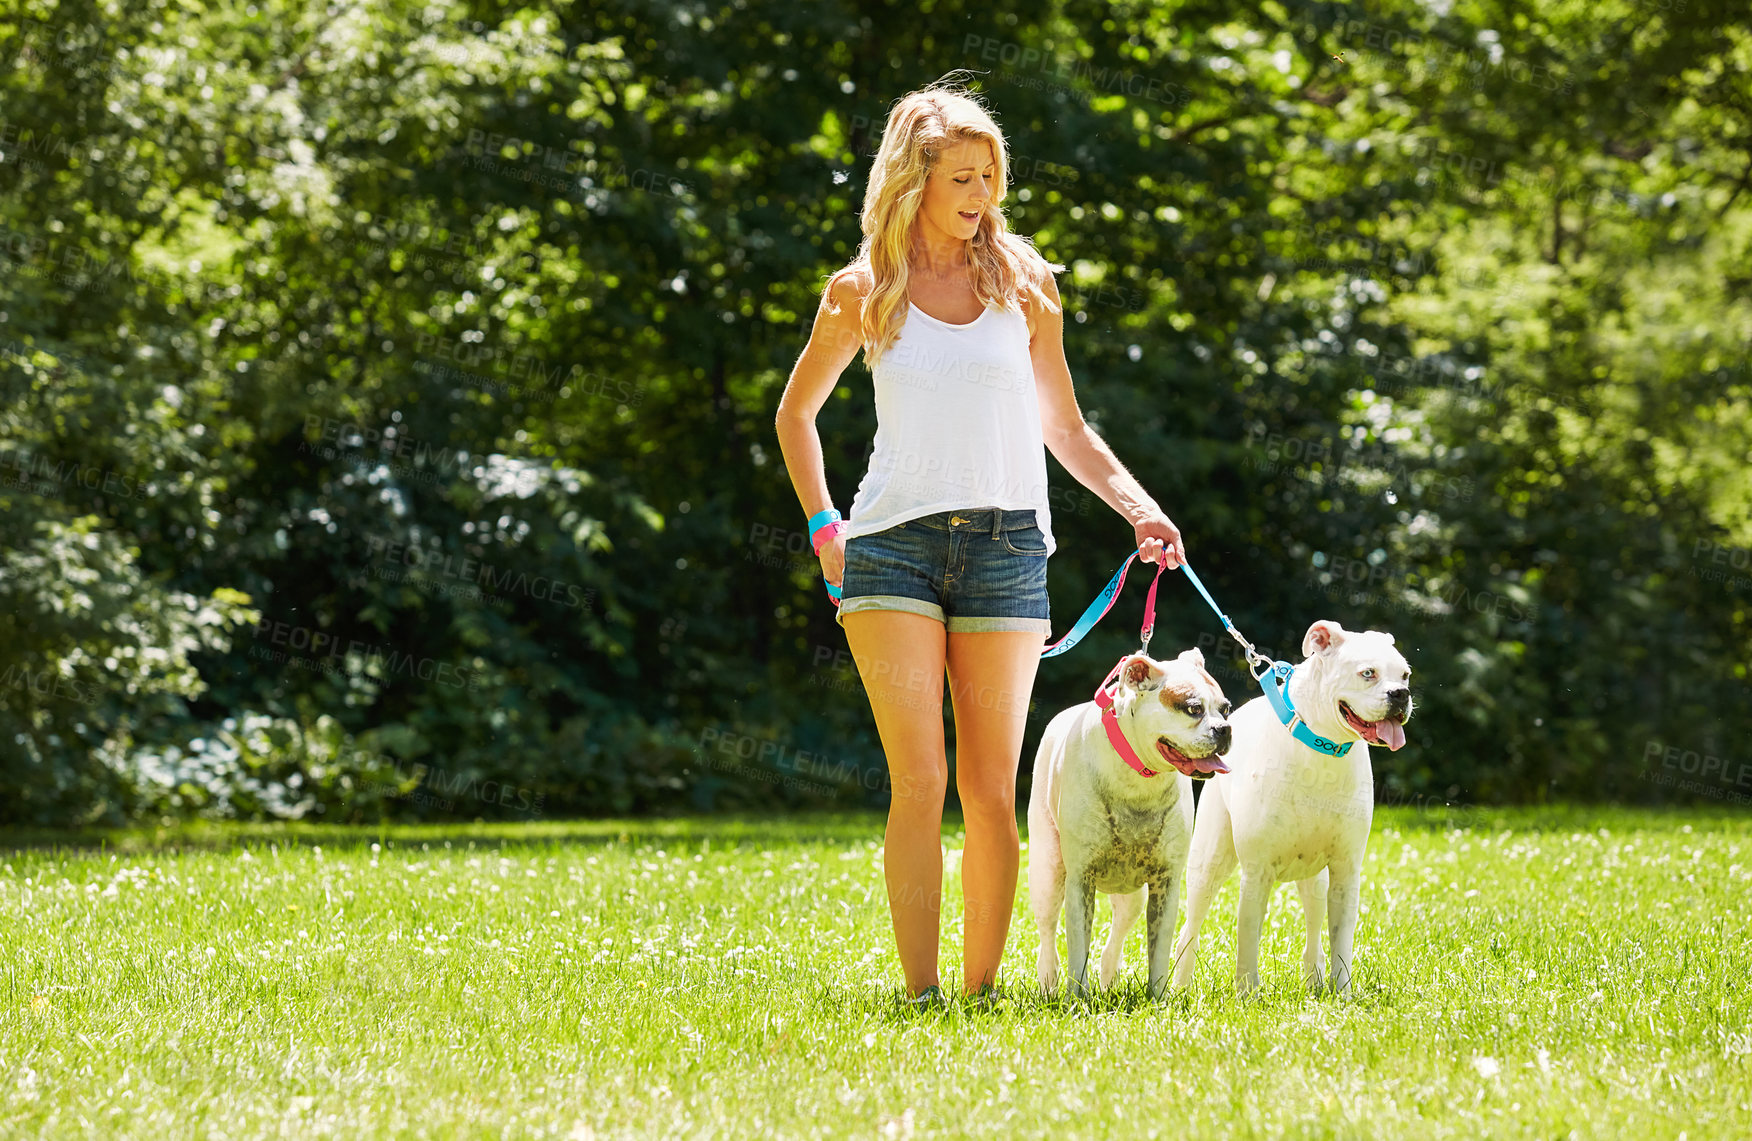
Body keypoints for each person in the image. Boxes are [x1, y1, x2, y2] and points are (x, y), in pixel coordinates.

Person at [773, 80, 1187, 1006]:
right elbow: (796, 413)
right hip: (889, 547)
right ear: (911, 180)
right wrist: (821, 522)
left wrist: (1139, 507)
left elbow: (1067, 428)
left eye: (991, 175)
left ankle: (981, 992)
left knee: (990, 790)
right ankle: (920, 995)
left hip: (1006, 546)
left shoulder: (1026, 283)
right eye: (961, 176)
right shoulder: (862, 291)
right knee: (919, 780)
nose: (981, 194)